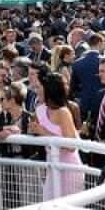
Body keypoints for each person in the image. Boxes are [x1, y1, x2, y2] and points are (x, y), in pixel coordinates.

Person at [29, 66, 85, 200]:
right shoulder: (39, 110)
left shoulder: (63, 112)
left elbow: (71, 146)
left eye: (40, 87)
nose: (37, 91)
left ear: (49, 90)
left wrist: (43, 132)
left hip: (69, 168)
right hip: (51, 167)